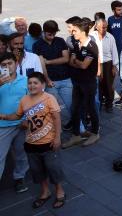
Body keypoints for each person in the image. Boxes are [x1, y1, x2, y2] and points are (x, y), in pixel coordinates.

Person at [0, 72, 66, 209]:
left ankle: (60, 191)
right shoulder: (24, 100)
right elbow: (17, 115)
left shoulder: (49, 98)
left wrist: (58, 137)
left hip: (49, 143)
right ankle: (45, 191)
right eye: (29, 83)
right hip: (31, 144)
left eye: (35, 83)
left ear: (42, 85)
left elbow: (57, 118)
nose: (32, 85)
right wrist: (4, 116)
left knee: (54, 168)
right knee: (37, 171)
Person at [62, 18, 100, 148]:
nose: (73, 33)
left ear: (83, 31)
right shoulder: (78, 44)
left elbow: (83, 65)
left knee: (90, 107)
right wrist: (79, 63)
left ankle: (95, 132)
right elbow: (72, 62)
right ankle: (76, 135)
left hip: (88, 83)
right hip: (78, 81)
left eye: (75, 31)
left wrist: (77, 63)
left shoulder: (91, 46)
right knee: (75, 108)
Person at [33, 20, 72, 127]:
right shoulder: (37, 45)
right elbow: (41, 64)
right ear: (44, 32)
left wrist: (49, 61)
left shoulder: (60, 40)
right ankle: (54, 129)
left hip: (66, 78)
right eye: (50, 34)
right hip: (51, 82)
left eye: (54, 33)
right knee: (53, 109)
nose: (52, 36)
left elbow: (66, 58)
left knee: (71, 105)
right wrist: (47, 80)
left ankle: (77, 126)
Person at [0, 52, 29, 194]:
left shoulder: (25, 81)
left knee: (21, 153)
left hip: (21, 124)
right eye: (3, 65)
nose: (7, 67)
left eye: (9, 63)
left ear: (16, 64)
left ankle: (20, 177)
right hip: (2, 126)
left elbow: (32, 102)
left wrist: (26, 120)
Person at [90, 19, 118, 113]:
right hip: (95, 63)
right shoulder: (92, 36)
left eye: (106, 27)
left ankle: (109, 104)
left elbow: (114, 52)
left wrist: (114, 66)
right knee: (98, 85)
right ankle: (100, 102)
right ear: (96, 27)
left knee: (109, 85)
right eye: (102, 27)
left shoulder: (110, 37)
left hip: (107, 63)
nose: (104, 29)